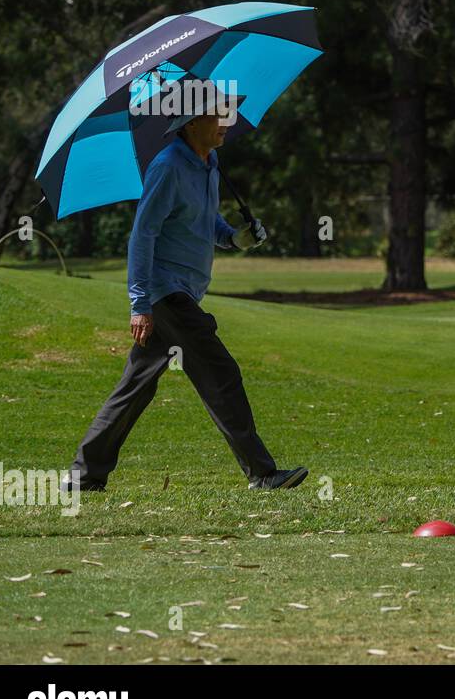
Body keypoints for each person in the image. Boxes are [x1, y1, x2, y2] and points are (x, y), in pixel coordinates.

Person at [62, 101, 307, 491]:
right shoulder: (168, 165)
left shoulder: (208, 164)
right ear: (192, 121)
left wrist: (234, 237)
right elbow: (143, 235)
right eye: (218, 114)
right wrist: (139, 304)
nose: (227, 121)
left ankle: (82, 477)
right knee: (221, 373)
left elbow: (203, 218)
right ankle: (261, 473)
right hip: (166, 293)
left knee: (136, 387)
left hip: (182, 294)